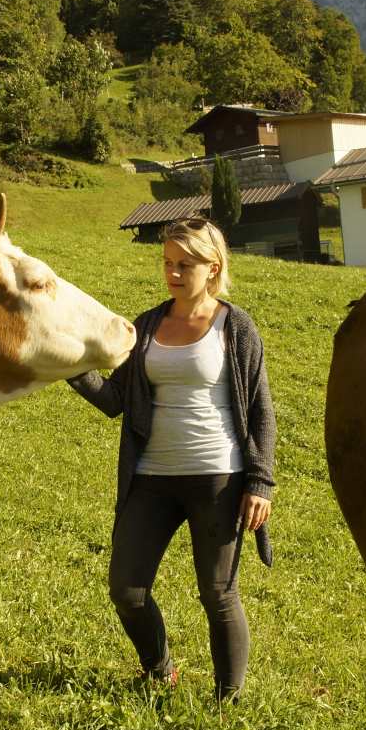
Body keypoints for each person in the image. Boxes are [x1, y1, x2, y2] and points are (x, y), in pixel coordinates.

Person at [67, 217, 276, 701]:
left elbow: (261, 409)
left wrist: (260, 483)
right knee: (127, 589)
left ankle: (229, 701)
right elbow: (115, 399)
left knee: (217, 594)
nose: (173, 273)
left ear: (213, 266)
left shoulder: (235, 326)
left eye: (185, 264)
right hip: (152, 478)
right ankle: (159, 669)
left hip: (218, 479)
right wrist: (72, 367)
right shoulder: (147, 324)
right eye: (167, 263)